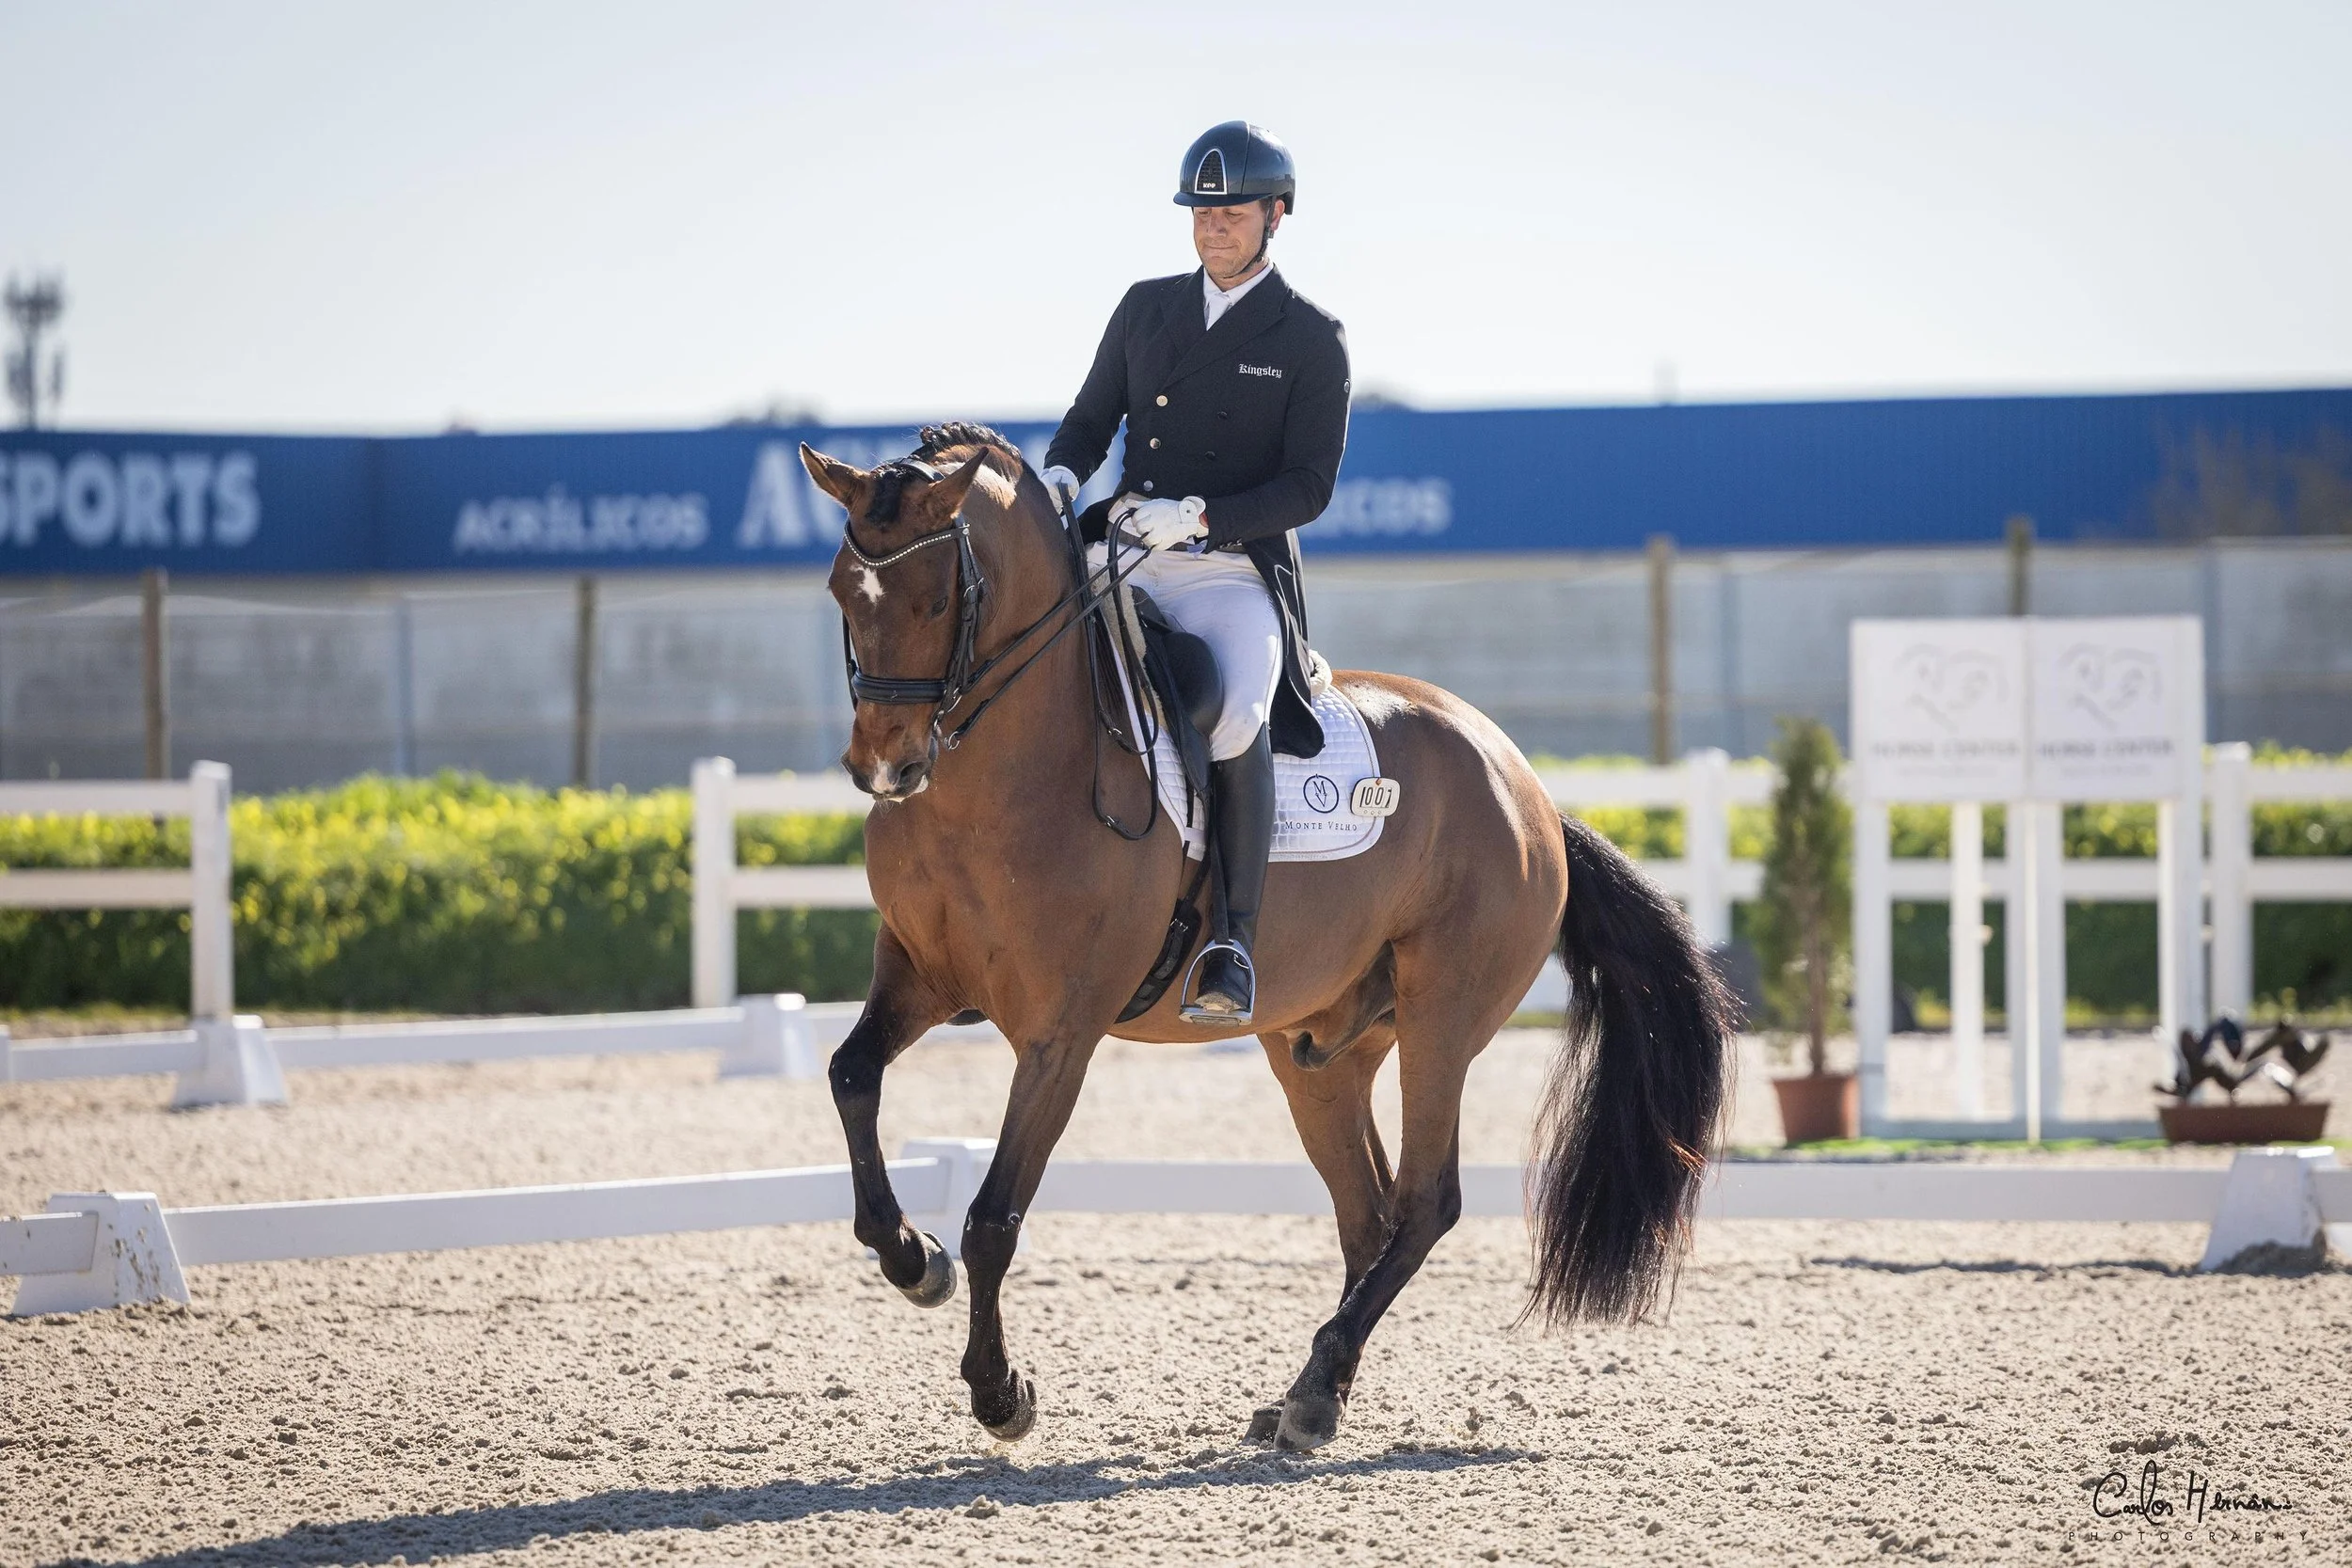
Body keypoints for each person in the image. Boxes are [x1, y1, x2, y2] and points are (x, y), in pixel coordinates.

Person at [1042, 120, 1352, 1024]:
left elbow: (1309, 485)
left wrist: (1205, 516)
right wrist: (1062, 473)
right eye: (1202, 210)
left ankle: (1234, 942)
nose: (1214, 226)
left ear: (1275, 215)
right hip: (1129, 548)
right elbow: (1091, 417)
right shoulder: (1146, 306)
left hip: (1227, 570)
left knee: (1233, 715)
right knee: (1030, 670)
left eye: (1233, 210)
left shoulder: (1311, 337)